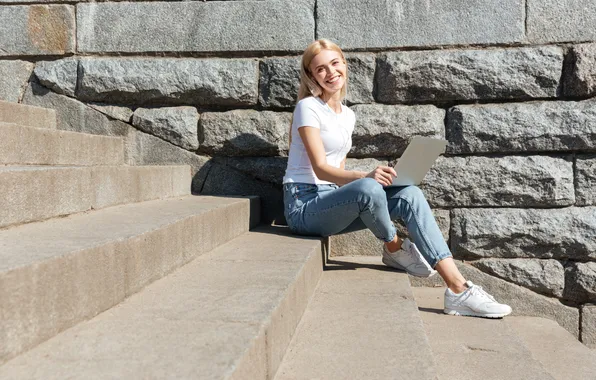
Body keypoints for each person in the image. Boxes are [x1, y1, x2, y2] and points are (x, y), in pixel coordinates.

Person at [282, 39, 512, 319]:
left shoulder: (348, 115)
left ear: (344, 64)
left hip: (332, 202)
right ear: (311, 76)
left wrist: (380, 182)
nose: (330, 73)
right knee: (367, 186)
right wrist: (366, 179)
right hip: (304, 207)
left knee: (410, 194)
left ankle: (458, 289)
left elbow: (339, 172)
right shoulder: (308, 107)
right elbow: (320, 169)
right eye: (320, 69)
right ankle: (393, 247)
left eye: (334, 63)